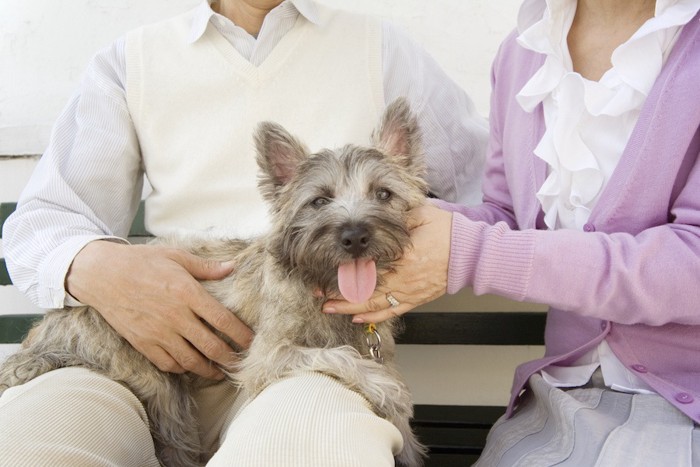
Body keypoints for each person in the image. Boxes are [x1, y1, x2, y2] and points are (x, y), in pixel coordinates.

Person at [0, 0, 488, 465]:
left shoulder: (381, 47)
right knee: (34, 445)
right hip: (130, 354)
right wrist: (103, 269)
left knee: (310, 443)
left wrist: (430, 249)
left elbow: (488, 194)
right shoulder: (130, 61)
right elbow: (44, 220)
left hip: (313, 360)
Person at [325, 0, 700, 464]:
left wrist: (471, 254)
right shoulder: (523, 52)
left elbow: (692, 265)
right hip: (560, 400)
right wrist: (402, 225)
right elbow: (507, 215)